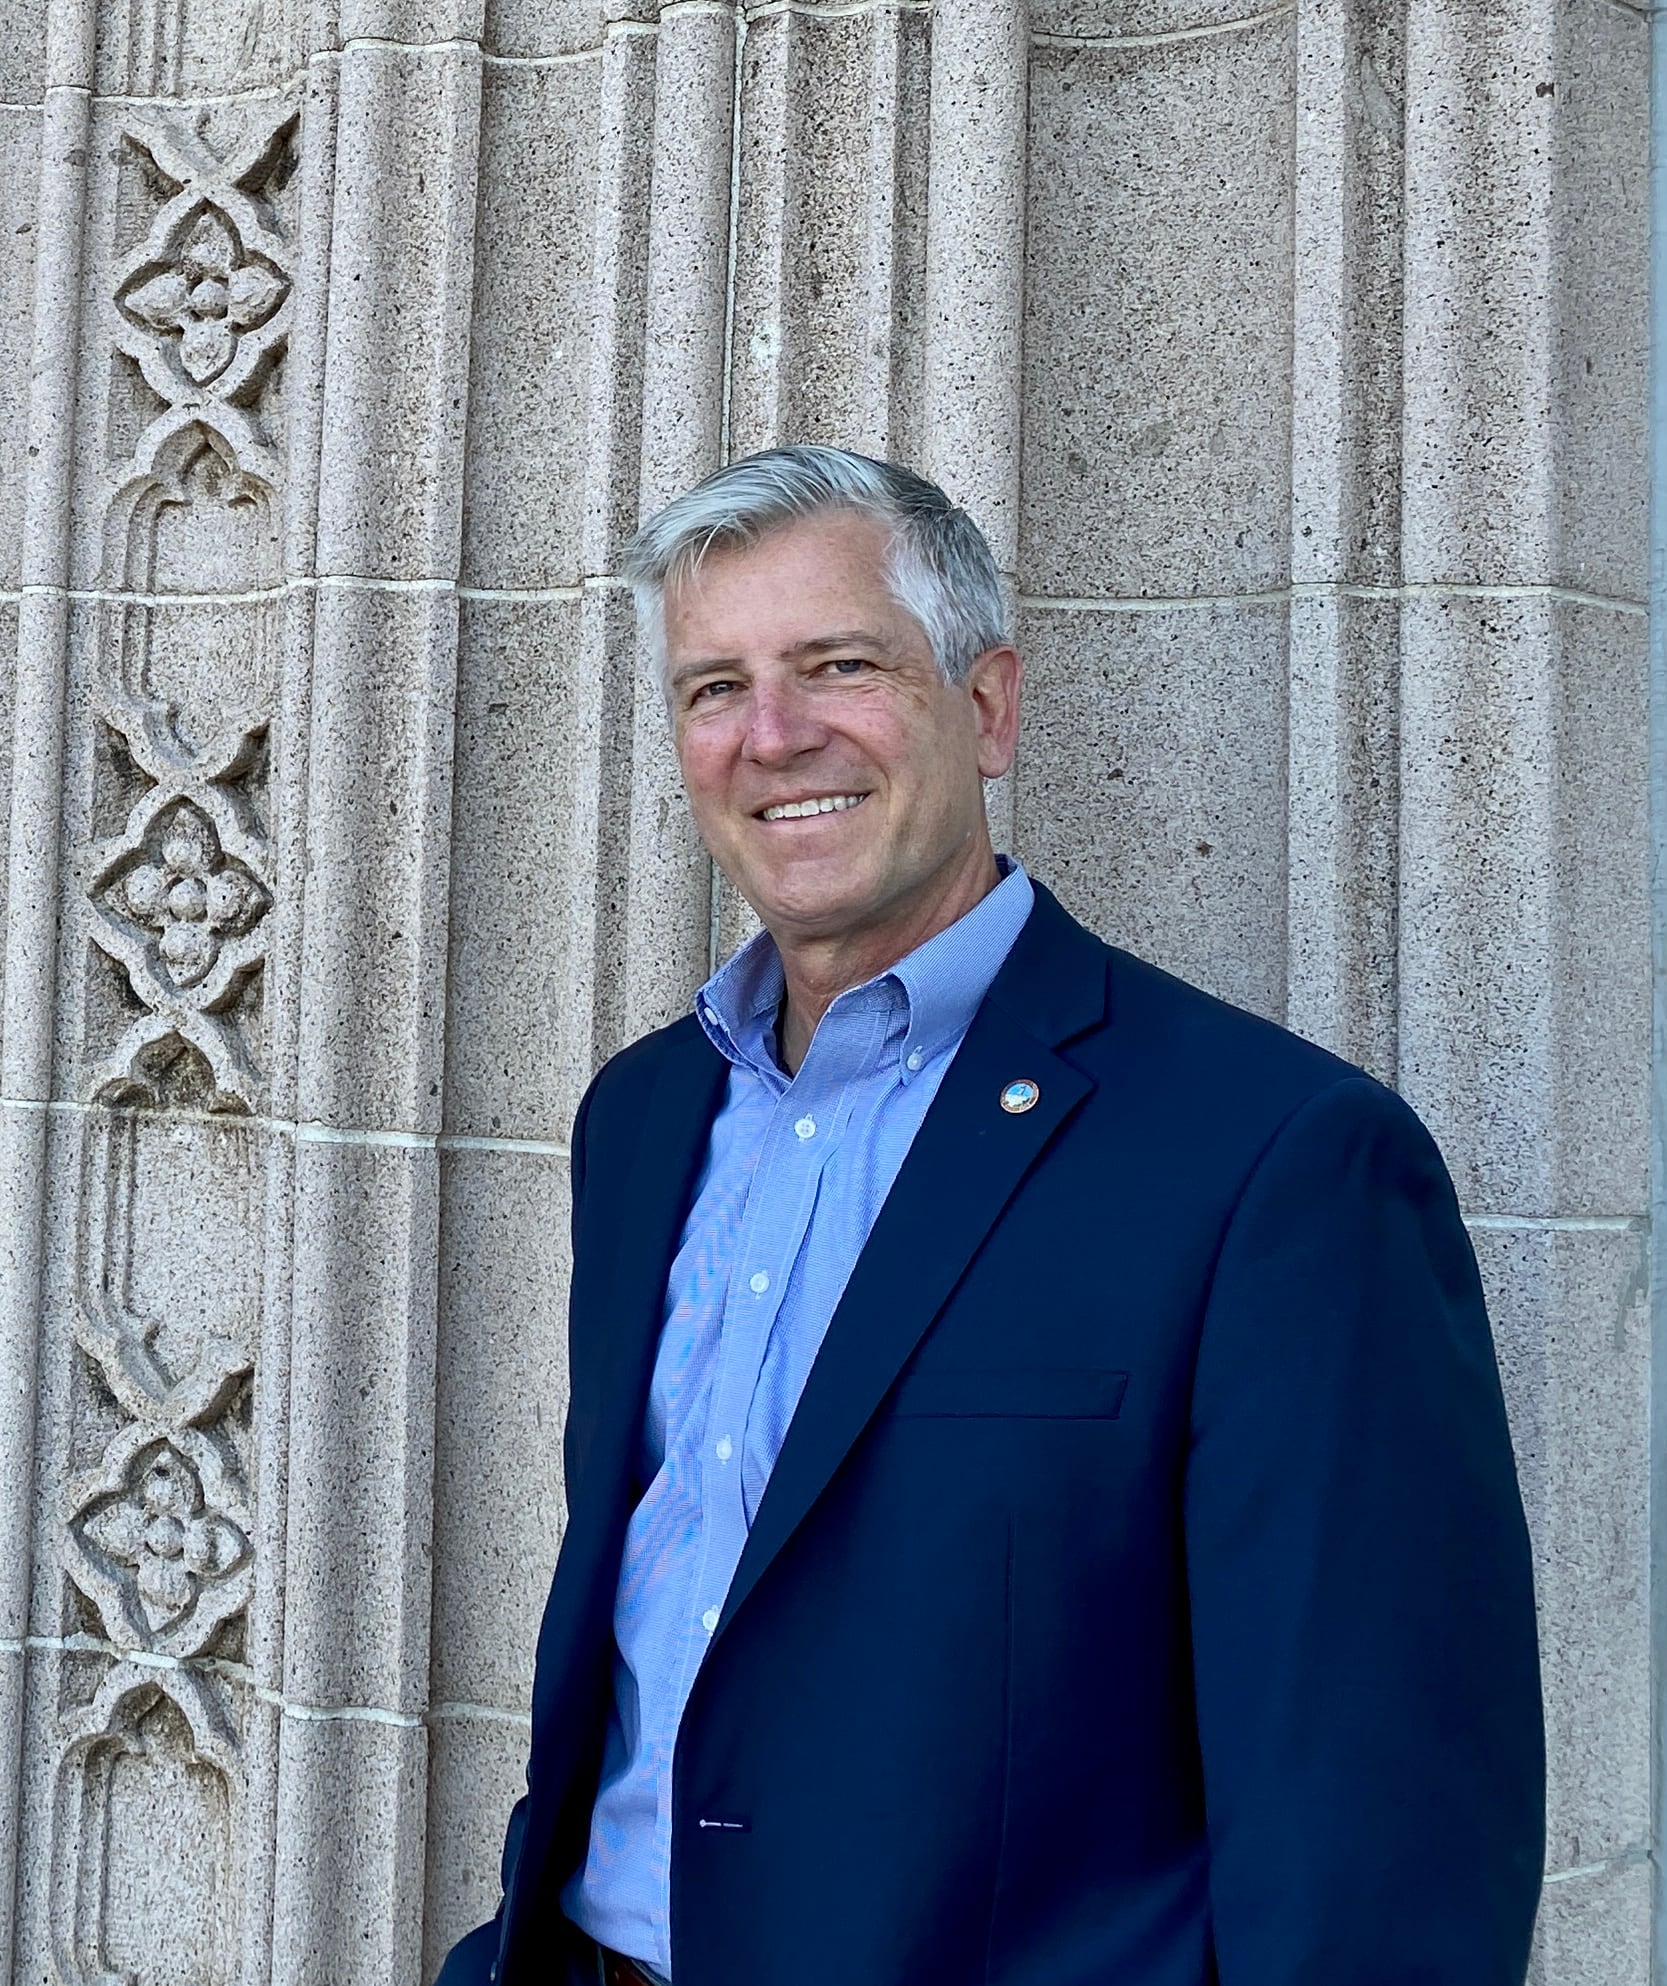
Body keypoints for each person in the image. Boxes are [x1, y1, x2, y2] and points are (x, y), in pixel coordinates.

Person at [439, 446, 1544, 1986]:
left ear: (988, 705)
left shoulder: (1276, 1163)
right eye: (714, 688)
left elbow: (1379, 1850)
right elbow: (656, 1623)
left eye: (839, 664)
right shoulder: (642, 1120)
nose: (774, 735)